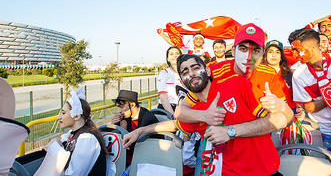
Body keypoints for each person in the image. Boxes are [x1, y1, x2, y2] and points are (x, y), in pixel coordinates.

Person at [123, 54, 289, 175]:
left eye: (196, 68)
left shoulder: (236, 84)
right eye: (185, 71)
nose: (192, 73)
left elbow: (278, 120)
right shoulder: (195, 110)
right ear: (182, 81)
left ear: (208, 71)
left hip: (261, 172)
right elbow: (174, 125)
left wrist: (230, 131)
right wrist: (139, 131)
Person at [288, 27, 331, 150]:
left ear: (314, 47)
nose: (294, 54)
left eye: (297, 50)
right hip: (323, 128)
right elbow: (309, 107)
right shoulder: (298, 74)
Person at [57, 88, 107, 175]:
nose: (58, 117)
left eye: (63, 113)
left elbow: (74, 174)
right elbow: (63, 140)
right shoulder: (72, 133)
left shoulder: (87, 139)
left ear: (76, 116)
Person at [111, 90, 159, 165]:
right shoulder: (125, 117)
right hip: (127, 156)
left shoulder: (148, 119)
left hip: (144, 158)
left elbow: (139, 147)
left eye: (121, 107)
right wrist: (114, 127)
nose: (119, 111)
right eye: (118, 107)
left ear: (132, 105)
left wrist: (124, 130)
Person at [157, 46, 183, 113]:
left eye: (177, 53)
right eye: (171, 54)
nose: (175, 56)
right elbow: (163, 98)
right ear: (168, 59)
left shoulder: (186, 72)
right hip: (167, 109)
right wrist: (172, 115)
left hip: (183, 108)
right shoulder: (164, 73)